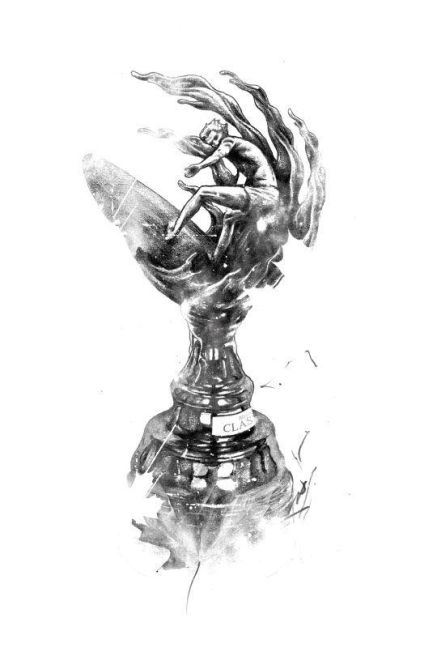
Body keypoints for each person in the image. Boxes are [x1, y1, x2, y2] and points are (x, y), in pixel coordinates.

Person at [165, 119, 279, 252]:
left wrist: (199, 166)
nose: (212, 143)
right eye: (208, 141)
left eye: (212, 137)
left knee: (202, 192)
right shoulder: (238, 148)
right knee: (229, 218)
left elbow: (218, 154)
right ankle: (216, 259)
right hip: (267, 197)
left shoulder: (229, 141)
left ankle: (174, 230)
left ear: (219, 131)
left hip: (263, 194)